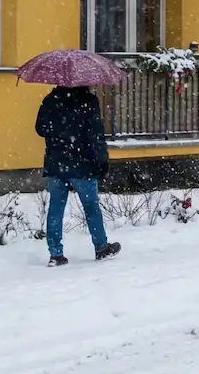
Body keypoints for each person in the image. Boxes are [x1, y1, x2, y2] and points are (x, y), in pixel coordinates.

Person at [34, 86, 120, 267]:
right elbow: (96, 135)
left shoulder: (51, 100)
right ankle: (101, 247)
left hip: (56, 164)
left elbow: (40, 129)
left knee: (55, 209)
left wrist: (58, 131)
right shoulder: (88, 101)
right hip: (83, 166)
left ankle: (56, 254)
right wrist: (102, 160)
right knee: (91, 207)